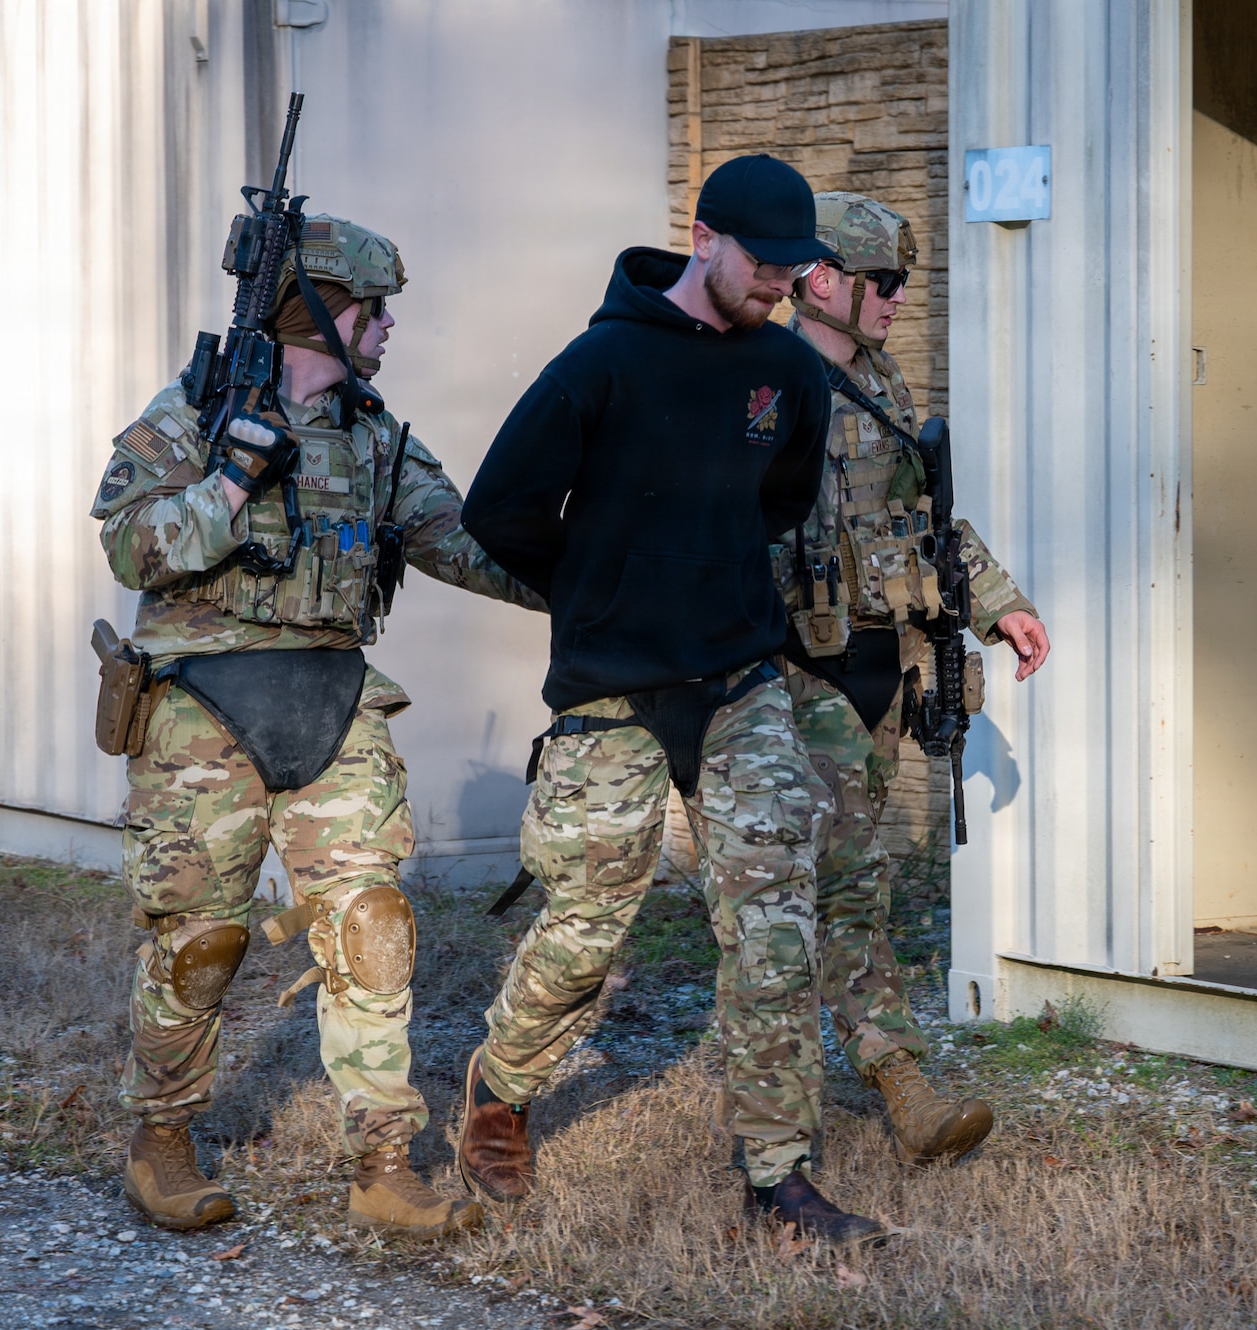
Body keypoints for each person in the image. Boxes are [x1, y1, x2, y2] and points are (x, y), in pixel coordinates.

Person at [456, 156, 882, 1243]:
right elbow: (498, 508)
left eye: (794, 273)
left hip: (739, 683)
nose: (777, 288)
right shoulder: (597, 365)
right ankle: (499, 1089)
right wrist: (598, 582)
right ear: (703, 239)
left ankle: (777, 1175)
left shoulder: (788, 372)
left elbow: (780, 498)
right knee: (589, 924)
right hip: (612, 689)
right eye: (760, 267)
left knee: (772, 925)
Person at [91, 215, 541, 1236]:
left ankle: (383, 1165)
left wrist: (601, 588)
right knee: (199, 941)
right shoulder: (193, 416)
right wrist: (228, 480)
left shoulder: (374, 437)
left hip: (333, 700)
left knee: (372, 927)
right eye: (369, 311)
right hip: (203, 710)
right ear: (313, 312)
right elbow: (132, 546)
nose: (384, 332)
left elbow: (464, 544)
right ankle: (160, 1141)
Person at [778, 192, 1050, 1163]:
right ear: (819, 281)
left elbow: (928, 526)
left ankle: (892, 1088)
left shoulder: (884, 384)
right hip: (785, 679)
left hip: (875, 671)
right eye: (879, 281)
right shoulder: (761, 388)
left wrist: (995, 601)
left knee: (850, 887)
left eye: (902, 282)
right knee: (803, 895)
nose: (895, 298)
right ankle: (852, 1101)